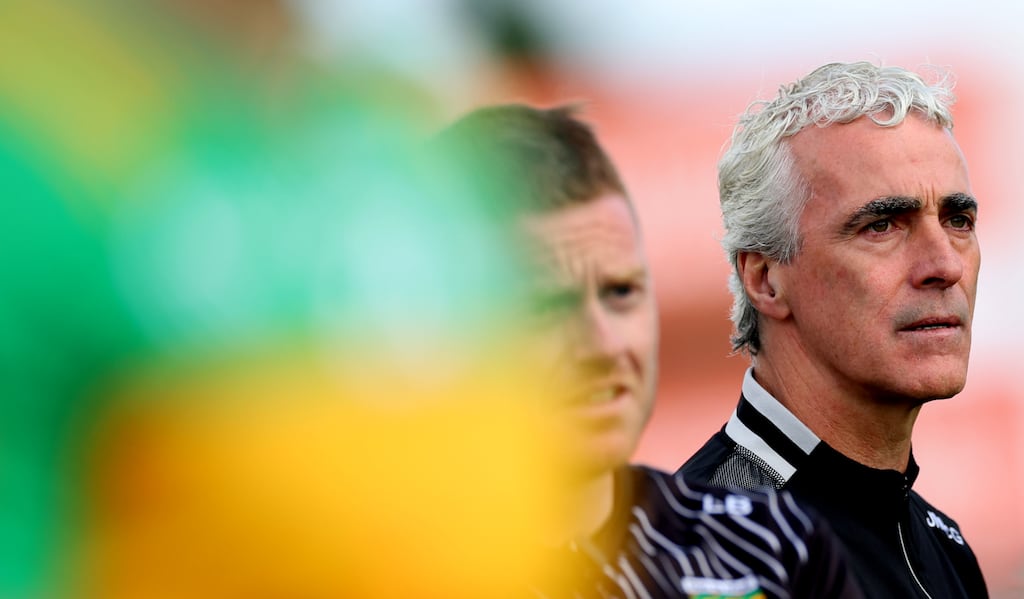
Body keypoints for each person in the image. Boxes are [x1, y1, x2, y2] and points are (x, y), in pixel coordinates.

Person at [434, 103, 864, 598]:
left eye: (621, 293)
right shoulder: (358, 571)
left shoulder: (773, 547)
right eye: (545, 306)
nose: (603, 344)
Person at [676, 61, 990, 598]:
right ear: (766, 279)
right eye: (882, 225)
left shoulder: (947, 547)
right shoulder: (714, 552)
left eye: (958, 220)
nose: (946, 265)